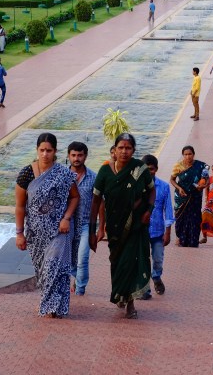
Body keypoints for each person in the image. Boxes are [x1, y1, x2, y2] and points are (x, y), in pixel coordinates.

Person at [89, 133, 155, 319]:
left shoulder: (140, 169)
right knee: (117, 262)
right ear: (114, 150)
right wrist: (94, 230)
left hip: (135, 225)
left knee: (130, 262)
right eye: (121, 147)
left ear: (133, 150)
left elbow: (152, 191)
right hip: (115, 226)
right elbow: (96, 201)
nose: (124, 151)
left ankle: (130, 302)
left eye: (128, 148)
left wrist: (149, 210)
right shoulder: (105, 171)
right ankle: (119, 294)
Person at [15, 133, 80, 318]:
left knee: (54, 267)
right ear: (37, 150)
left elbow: (75, 197)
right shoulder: (26, 174)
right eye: (42, 150)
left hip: (59, 230)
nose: (45, 154)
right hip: (35, 233)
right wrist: (19, 233)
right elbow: (20, 206)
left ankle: (52, 307)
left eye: (49, 150)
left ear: (55, 151)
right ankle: (53, 304)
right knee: (43, 271)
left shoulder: (63, 174)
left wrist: (66, 217)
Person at [68, 141, 100, 296]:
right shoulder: (63, 176)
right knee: (69, 259)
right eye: (73, 155)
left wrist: (100, 227)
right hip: (67, 223)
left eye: (80, 155)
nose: (76, 158)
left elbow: (100, 202)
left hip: (86, 224)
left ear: (85, 156)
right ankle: (76, 277)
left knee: (83, 258)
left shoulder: (93, 177)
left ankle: (80, 289)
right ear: (68, 156)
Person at [141, 154, 174, 299]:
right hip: (140, 231)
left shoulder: (164, 187)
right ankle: (144, 289)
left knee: (158, 259)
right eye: (146, 169)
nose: (149, 172)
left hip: (158, 231)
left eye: (151, 169)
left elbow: (168, 210)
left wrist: (168, 232)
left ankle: (156, 276)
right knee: (142, 261)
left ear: (156, 169)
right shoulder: (136, 187)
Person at [170, 145, 208, 248]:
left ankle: (193, 241)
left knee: (195, 218)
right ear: (183, 155)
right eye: (185, 154)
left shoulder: (201, 166)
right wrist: (179, 188)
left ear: (193, 154)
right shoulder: (178, 166)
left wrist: (203, 186)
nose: (188, 156)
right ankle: (180, 238)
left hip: (195, 196)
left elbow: (206, 179)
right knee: (180, 217)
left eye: (190, 154)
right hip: (182, 196)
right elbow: (172, 180)